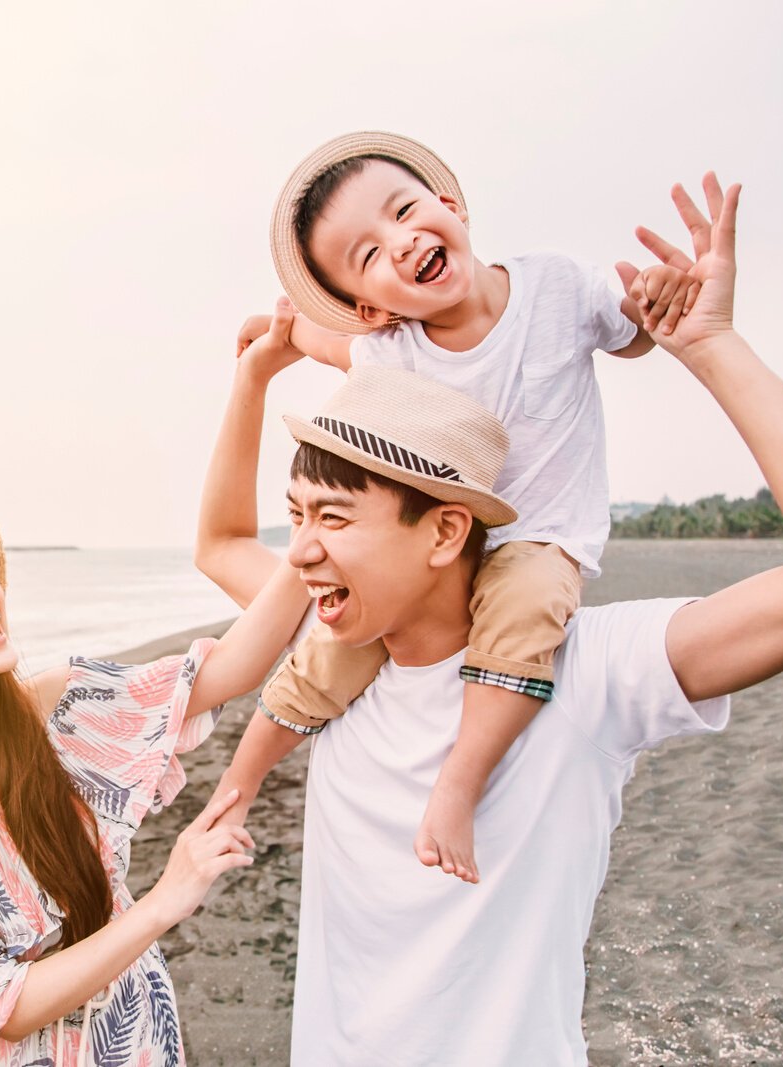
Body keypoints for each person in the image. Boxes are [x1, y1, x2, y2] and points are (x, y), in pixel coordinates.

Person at [198, 175, 783, 1062]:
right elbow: (223, 541)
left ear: (444, 529)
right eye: (298, 516)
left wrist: (709, 345)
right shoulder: (336, 637)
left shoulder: (583, 672)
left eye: (334, 518)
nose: (300, 553)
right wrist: (254, 375)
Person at [234, 131, 697, 881]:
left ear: (449, 206)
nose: (401, 241)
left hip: (539, 540)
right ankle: (240, 779)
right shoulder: (390, 349)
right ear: (369, 305)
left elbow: (633, 328)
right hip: (434, 552)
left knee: (522, 608)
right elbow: (327, 345)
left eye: (405, 210)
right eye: (367, 255)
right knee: (333, 646)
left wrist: (655, 301)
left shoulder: (555, 287)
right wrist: (275, 328)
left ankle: (459, 782)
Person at [0, 470, 309, 1065]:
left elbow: (233, 668)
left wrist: (311, 536)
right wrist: (165, 900)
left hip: (136, 1032)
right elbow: (4, 1012)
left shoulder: (61, 708)